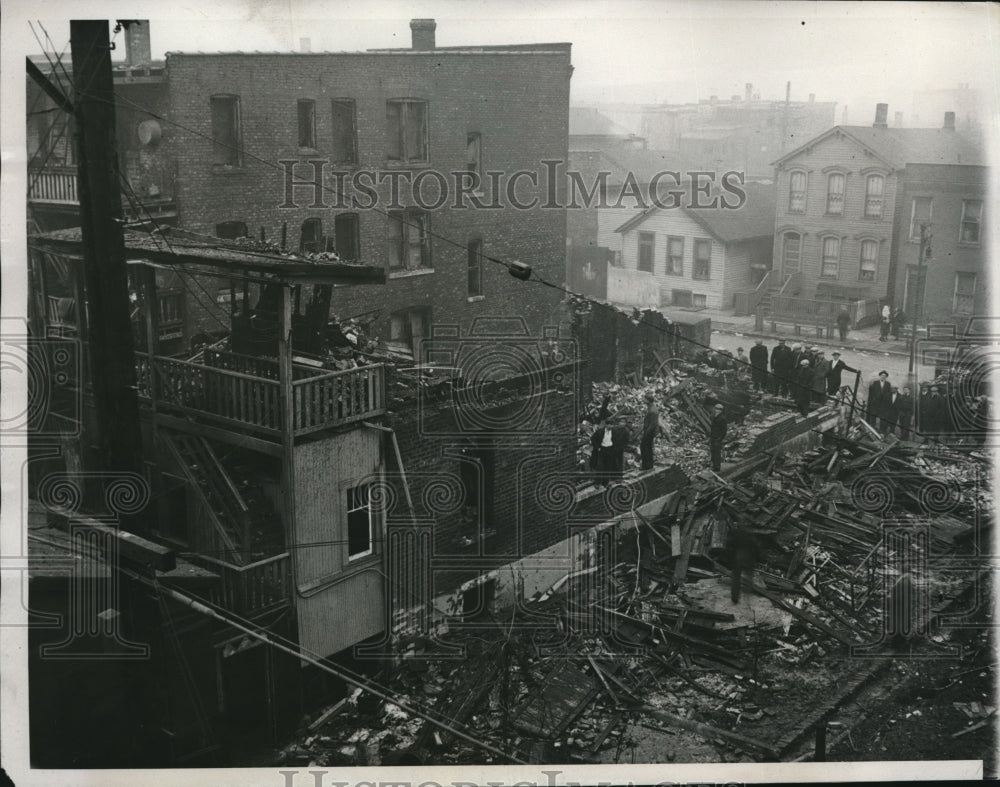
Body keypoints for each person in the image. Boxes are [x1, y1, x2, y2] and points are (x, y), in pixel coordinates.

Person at [639, 392, 659, 471]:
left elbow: (653, 424)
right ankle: (649, 465)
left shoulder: (653, 410)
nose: (643, 400)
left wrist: (646, 433)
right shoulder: (651, 407)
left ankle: (646, 466)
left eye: (644, 398)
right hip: (649, 431)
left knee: (644, 447)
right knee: (648, 448)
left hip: (649, 432)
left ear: (648, 400)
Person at [709, 403, 727, 472]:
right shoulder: (715, 417)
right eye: (716, 408)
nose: (716, 410)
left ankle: (717, 467)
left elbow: (724, 431)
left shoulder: (722, 419)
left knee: (717, 453)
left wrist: (719, 439)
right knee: (713, 452)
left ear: (721, 410)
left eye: (718, 409)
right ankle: (714, 466)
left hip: (717, 439)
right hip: (713, 437)